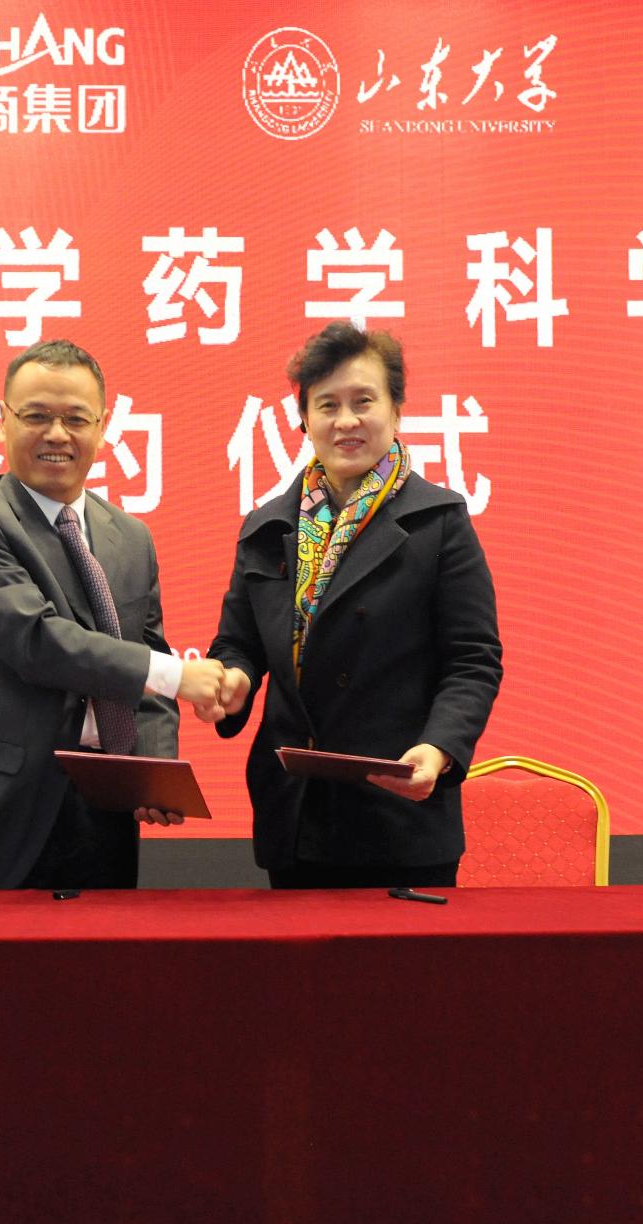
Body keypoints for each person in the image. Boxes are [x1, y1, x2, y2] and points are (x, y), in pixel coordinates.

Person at [0, 340, 230, 890]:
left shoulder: (130, 537)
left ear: (102, 427)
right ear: (3, 420)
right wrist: (176, 675)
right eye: (36, 416)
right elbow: (35, 640)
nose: (57, 434)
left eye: (76, 419)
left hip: (102, 811)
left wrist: (152, 771)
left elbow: (146, 652)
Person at [206, 322, 503, 888]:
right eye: (327, 405)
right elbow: (237, 642)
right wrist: (234, 678)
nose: (346, 421)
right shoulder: (268, 526)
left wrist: (439, 748)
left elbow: (473, 660)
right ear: (304, 419)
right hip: (295, 812)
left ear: (395, 412)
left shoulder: (438, 522)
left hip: (398, 808)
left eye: (363, 401)